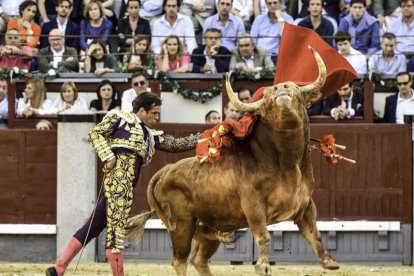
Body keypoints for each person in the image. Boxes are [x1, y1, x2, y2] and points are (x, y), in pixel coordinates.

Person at [45, 92, 199, 276]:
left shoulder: (149, 134)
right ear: (142, 110)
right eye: (154, 113)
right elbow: (96, 133)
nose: (157, 118)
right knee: (115, 235)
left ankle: (59, 268)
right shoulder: (119, 117)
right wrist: (109, 157)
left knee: (92, 227)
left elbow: (175, 145)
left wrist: (205, 137)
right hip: (119, 185)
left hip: (123, 186)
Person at [250, 0, 294, 64]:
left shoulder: (288, 19)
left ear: (280, 4)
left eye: (275, 3)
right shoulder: (259, 19)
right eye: (269, 3)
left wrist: (280, 18)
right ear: (266, 5)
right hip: (259, 55)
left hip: (276, 55)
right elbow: (252, 39)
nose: (272, 5)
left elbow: (286, 39)